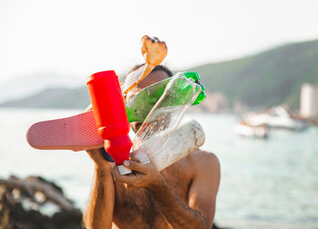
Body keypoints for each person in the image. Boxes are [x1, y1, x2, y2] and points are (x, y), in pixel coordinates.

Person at [83, 65, 221, 229]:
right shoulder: (112, 160)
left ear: (175, 102)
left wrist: (158, 186)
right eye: (137, 101)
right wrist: (100, 166)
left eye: (158, 99)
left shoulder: (202, 163)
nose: (148, 112)